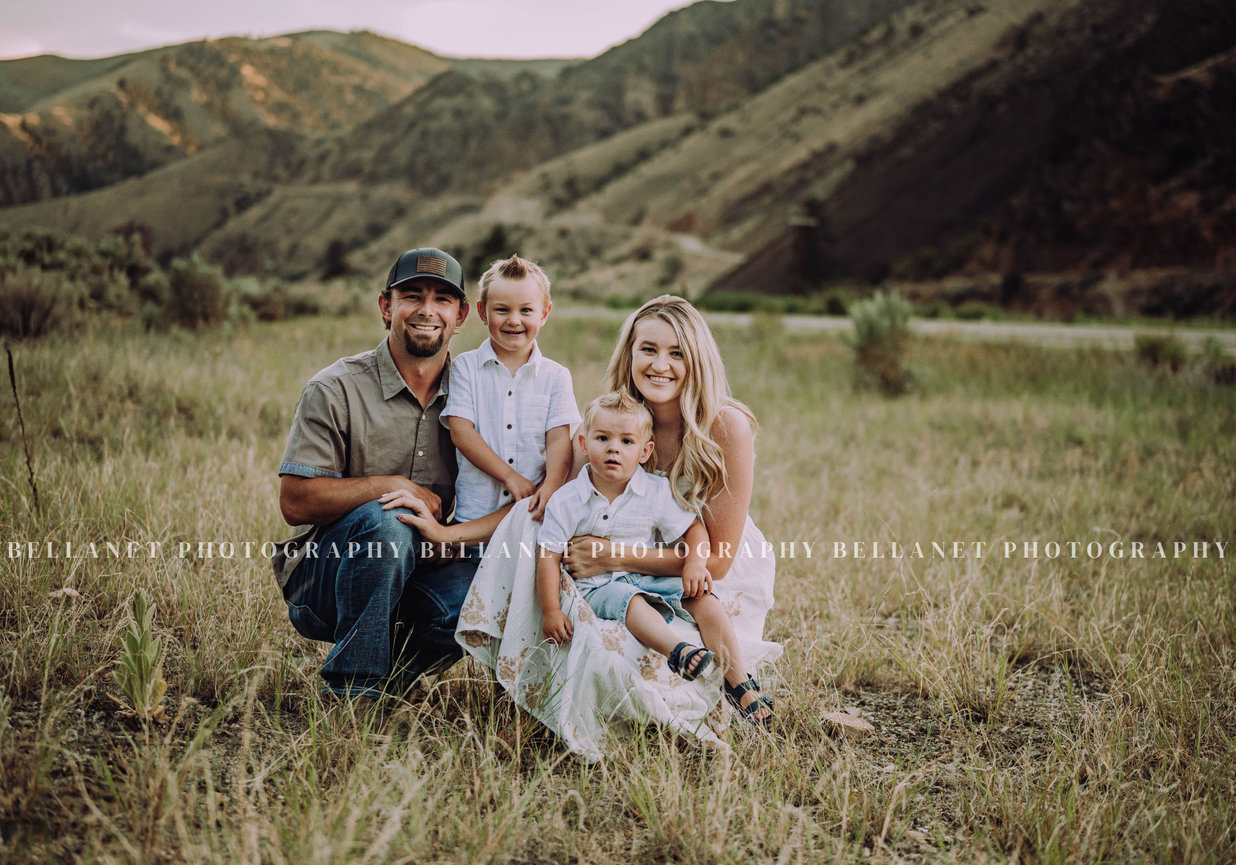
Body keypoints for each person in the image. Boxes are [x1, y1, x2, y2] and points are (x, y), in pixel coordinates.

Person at [406, 294, 780, 759]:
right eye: (648, 349)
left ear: (697, 360)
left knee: (688, 602)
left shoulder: (724, 425)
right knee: (543, 547)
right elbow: (541, 508)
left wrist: (613, 556)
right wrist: (447, 534)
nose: (660, 364)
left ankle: (736, 684)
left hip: (697, 567)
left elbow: (718, 561)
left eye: (677, 352)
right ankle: (532, 691)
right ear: (629, 353)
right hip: (614, 574)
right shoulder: (607, 427)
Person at [271, 247, 504, 698]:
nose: (426, 310)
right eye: (412, 296)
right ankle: (352, 690)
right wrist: (396, 486)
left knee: (491, 578)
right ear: (386, 307)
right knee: (389, 520)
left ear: (460, 317)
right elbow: (295, 502)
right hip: (327, 581)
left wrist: (446, 535)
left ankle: (392, 681)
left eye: (442, 300)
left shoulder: (477, 396)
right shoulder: (335, 388)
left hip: (424, 566)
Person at [539, 392, 768, 716]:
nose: (614, 448)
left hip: (650, 573)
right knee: (630, 601)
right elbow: (547, 554)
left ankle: (739, 683)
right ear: (584, 443)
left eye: (627, 441)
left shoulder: (655, 491)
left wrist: (695, 562)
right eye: (603, 438)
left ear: (646, 450)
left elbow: (693, 529)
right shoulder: (569, 500)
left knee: (704, 600)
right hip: (602, 585)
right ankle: (678, 651)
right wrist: (550, 610)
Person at [441, 254, 579, 524]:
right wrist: (509, 476)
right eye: (502, 310)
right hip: (473, 515)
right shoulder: (465, 368)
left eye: (526, 310)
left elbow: (558, 440)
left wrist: (550, 486)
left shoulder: (556, 376)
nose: (514, 320)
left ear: (544, 313)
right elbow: (461, 432)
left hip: (531, 513)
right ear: (483, 312)